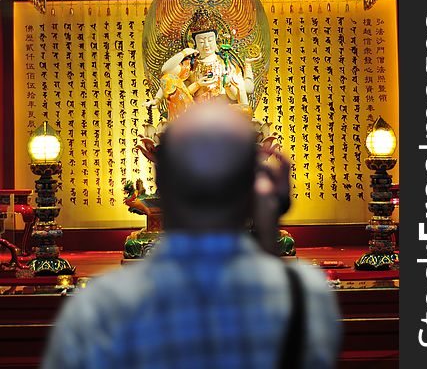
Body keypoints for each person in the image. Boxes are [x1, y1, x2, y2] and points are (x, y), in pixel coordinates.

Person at [41, 100, 341, 369]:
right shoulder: (306, 296)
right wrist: (268, 225)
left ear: (162, 181)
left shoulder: (98, 307)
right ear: (255, 184)